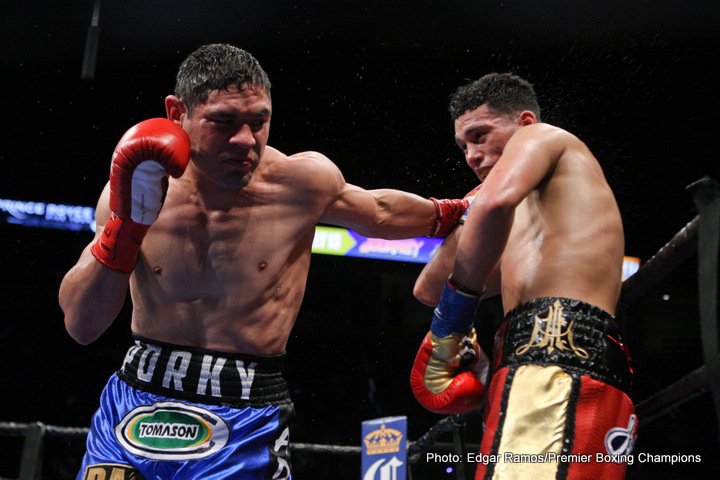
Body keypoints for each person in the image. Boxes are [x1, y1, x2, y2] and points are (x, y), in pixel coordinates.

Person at [59, 43, 469, 480]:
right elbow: (82, 326)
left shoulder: (299, 183)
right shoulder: (136, 188)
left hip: (245, 410)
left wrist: (465, 211)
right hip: (135, 403)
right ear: (177, 112)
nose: (244, 141)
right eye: (224, 122)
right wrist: (125, 229)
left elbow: (382, 211)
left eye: (259, 122)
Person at [410, 73, 636, 479]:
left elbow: (491, 214)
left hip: (556, 356)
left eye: (480, 136)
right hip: (534, 361)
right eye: (463, 146)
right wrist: (467, 211)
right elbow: (428, 287)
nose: (471, 156)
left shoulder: (545, 137)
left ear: (525, 123)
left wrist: (453, 321)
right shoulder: (524, 219)